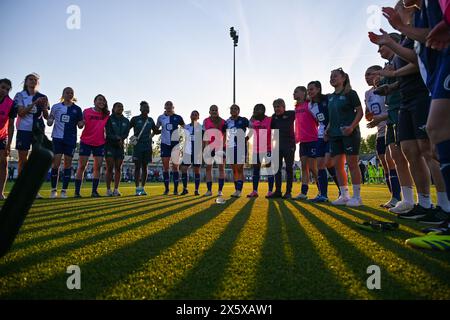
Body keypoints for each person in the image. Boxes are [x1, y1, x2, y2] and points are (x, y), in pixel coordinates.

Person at [371, 1, 450, 221]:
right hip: (406, 99)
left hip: (421, 95)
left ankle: (444, 205)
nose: (396, 11)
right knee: (409, 151)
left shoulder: (418, 25)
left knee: (428, 148)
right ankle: (424, 202)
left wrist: (393, 70)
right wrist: (393, 85)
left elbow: (416, 62)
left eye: (398, 9)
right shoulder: (409, 35)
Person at [325, 68, 364, 207]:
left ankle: (357, 197)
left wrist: (352, 127)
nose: (332, 78)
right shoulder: (330, 97)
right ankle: (344, 195)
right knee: (338, 165)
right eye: (331, 76)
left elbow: (360, 112)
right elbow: (332, 116)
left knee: (352, 164)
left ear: (343, 78)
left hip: (349, 133)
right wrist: (328, 129)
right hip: (335, 135)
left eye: (335, 76)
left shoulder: (350, 93)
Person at [365, 65, 401, 207]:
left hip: (390, 126)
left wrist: (380, 119)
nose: (367, 77)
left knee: (391, 161)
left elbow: (392, 108)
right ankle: (393, 197)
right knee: (385, 164)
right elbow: (369, 112)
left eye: (369, 74)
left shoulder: (387, 87)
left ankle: (397, 197)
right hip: (379, 131)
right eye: (365, 75)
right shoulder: (368, 93)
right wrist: (369, 116)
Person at [13, 73, 49, 198]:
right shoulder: (20, 95)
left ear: (37, 83)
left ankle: (34, 190)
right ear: (26, 81)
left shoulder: (43, 96)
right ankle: (21, 188)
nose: (33, 81)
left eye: (35, 80)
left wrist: (44, 107)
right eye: (30, 79)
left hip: (38, 130)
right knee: (23, 160)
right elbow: (21, 113)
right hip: (23, 129)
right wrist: (34, 103)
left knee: (35, 160)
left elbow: (46, 117)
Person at [307, 81, 340, 202]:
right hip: (320, 136)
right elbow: (318, 120)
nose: (310, 92)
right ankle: (323, 195)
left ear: (318, 89)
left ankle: (342, 190)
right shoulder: (310, 105)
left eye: (312, 89)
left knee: (329, 163)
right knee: (320, 164)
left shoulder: (328, 98)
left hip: (332, 134)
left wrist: (328, 130)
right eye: (308, 90)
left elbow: (334, 116)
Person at [47, 87, 83, 199]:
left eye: (71, 93)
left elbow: (80, 124)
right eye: (67, 92)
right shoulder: (56, 107)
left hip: (70, 139)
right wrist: (49, 120)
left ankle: (64, 191)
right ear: (63, 94)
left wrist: (82, 123)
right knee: (56, 164)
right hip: (57, 138)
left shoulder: (77, 109)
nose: (69, 94)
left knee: (68, 165)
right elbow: (50, 120)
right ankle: (53, 190)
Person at [74, 94, 110, 198]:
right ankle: (77, 192)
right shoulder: (86, 111)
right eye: (99, 100)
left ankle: (94, 191)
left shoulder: (106, 114)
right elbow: (81, 125)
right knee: (82, 166)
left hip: (100, 143)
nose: (101, 102)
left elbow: (107, 128)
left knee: (97, 167)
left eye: (103, 100)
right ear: (94, 101)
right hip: (86, 141)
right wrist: (80, 124)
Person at [294, 86, 319, 200]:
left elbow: (318, 120)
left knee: (314, 168)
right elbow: (298, 124)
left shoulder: (310, 105)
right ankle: (303, 193)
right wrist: (296, 136)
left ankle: (321, 191)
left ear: (304, 93)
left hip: (313, 140)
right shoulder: (296, 107)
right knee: (304, 167)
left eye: (296, 92)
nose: (294, 94)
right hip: (302, 142)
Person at [267, 98, 296, 199]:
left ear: (284, 107)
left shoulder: (291, 114)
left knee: (289, 168)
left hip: (289, 145)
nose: (276, 109)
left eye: (278, 106)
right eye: (274, 107)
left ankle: (288, 192)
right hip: (277, 146)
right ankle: (278, 191)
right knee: (277, 169)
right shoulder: (273, 118)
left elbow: (302, 114)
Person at [130, 101, 160, 196]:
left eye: (148, 107)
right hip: (138, 146)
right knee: (137, 167)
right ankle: (137, 189)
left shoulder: (151, 120)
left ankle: (142, 188)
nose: (146, 109)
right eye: (144, 107)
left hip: (147, 146)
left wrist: (166, 128)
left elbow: (155, 131)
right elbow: (127, 129)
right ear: (140, 109)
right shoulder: (135, 119)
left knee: (145, 167)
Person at [156, 101, 185, 195]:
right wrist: (151, 134)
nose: (168, 106)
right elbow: (156, 128)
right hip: (164, 144)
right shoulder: (161, 117)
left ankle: (176, 189)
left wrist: (183, 137)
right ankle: (166, 189)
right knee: (165, 167)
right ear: (164, 107)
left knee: (175, 167)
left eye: (170, 105)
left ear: (173, 107)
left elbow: (184, 128)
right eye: (167, 105)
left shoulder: (178, 117)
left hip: (175, 144)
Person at [247, 104, 275, 198]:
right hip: (256, 149)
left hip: (267, 148)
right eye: (254, 109)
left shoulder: (270, 120)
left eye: (257, 109)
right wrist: (246, 138)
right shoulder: (254, 121)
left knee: (269, 169)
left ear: (263, 110)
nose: (255, 111)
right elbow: (251, 131)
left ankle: (270, 191)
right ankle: (255, 191)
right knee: (256, 170)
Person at [105, 102, 130, 196]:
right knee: (110, 167)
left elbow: (126, 133)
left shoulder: (126, 121)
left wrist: (121, 138)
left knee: (118, 168)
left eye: (122, 107)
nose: (120, 108)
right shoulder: (109, 119)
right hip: (110, 145)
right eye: (118, 106)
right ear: (113, 108)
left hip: (120, 147)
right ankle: (108, 189)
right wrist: (117, 138)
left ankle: (116, 189)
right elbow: (107, 132)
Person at [203, 105, 227, 199]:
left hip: (220, 147)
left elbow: (225, 135)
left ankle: (220, 191)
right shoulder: (206, 121)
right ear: (209, 111)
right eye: (212, 110)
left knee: (221, 168)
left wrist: (222, 146)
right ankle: (209, 190)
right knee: (208, 169)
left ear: (218, 111)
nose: (214, 111)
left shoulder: (223, 121)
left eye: (215, 110)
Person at [226, 104, 250, 198]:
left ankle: (239, 190)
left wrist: (247, 137)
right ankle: (236, 190)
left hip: (241, 146)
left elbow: (252, 129)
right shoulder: (227, 121)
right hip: (231, 146)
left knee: (240, 168)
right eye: (232, 108)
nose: (233, 110)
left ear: (238, 110)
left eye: (235, 108)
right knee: (234, 169)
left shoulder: (243, 120)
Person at [0, 79, 17, 200]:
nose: (4, 90)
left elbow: (11, 125)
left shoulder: (11, 103)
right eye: (2, 87)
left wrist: (9, 144)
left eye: (7, 89)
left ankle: (0, 193)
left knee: (3, 163)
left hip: (2, 137)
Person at [180, 110, 203, 196]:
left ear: (198, 117)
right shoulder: (186, 127)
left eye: (195, 115)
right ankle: (185, 189)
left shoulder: (201, 127)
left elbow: (204, 139)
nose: (194, 116)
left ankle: (196, 190)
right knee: (184, 169)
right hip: (187, 151)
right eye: (192, 114)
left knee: (196, 170)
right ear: (190, 116)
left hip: (197, 151)